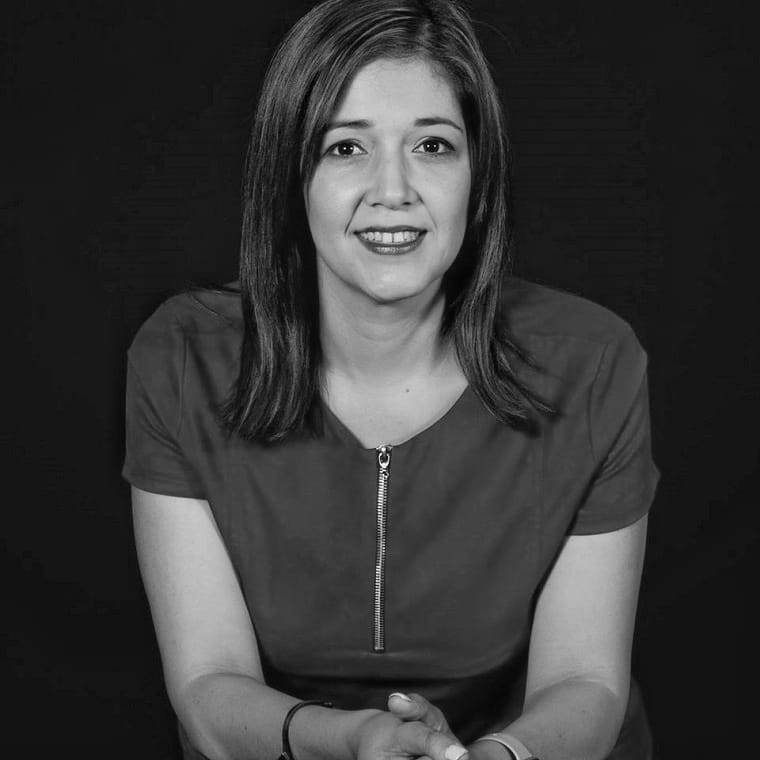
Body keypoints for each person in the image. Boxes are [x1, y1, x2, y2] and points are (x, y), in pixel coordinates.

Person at [122, 1, 660, 759]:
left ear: (476, 178)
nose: (394, 189)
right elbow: (209, 685)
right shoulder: (183, 359)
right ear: (290, 176)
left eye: (433, 145)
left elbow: (587, 682)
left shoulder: (595, 364)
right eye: (346, 147)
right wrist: (351, 742)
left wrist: (488, 758)